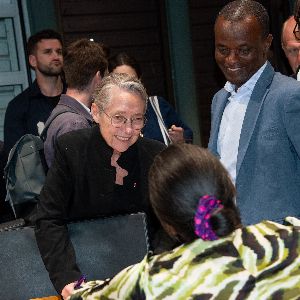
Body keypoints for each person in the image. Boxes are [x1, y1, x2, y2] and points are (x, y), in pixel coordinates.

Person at [69, 143, 300, 299]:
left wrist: (78, 287)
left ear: (167, 223)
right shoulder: (292, 235)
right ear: (230, 186)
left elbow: (85, 295)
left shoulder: (154, 279)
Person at [34, 73, 169, 299]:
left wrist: (156, 272)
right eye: (119, 118)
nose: (128, 130)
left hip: (142, 278)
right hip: (84, 273)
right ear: (96, 112)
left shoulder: (156, 155)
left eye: (137, 119)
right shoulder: (72, 149)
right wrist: (68, 278)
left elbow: (167, 224)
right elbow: (48, 218)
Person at [208, 0, 300, 225]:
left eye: (244, 50)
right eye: (223, 50)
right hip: (231, 241)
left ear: (266, 43)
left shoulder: (289, 96)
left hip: (281, 245)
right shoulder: (219, 100)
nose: (232, 60)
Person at [44, 39, 108, 167]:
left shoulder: (62, 114)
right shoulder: (75, 124)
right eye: (105, 76)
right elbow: (81, 182)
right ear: (97, 77)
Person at [108, 52, 193, 145]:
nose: (127, 86)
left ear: (140, 80)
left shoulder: (157, 105)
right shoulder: (106, 115)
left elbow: (187, 134)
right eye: (120, 81)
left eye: (132, 80)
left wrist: (181, 139)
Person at [4, 29, 66, 155]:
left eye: (59, 52)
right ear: (33, 60)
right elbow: (15, 158)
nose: (56, 56)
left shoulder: (75, 96)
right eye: (48, 52)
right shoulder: (19, 106)